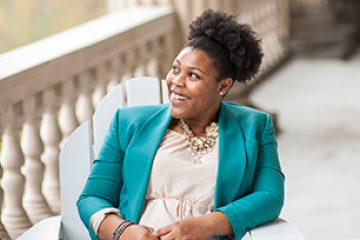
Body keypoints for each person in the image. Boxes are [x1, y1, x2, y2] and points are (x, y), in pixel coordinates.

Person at [77, 9, 285, 240]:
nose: (176, 81)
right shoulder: (128, 123)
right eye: (175, 69)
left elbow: (270, 196)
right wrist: (123, 231)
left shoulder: (254, 126)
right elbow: (91, 198)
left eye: (193, 75)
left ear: (223, 86)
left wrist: (207, 225)